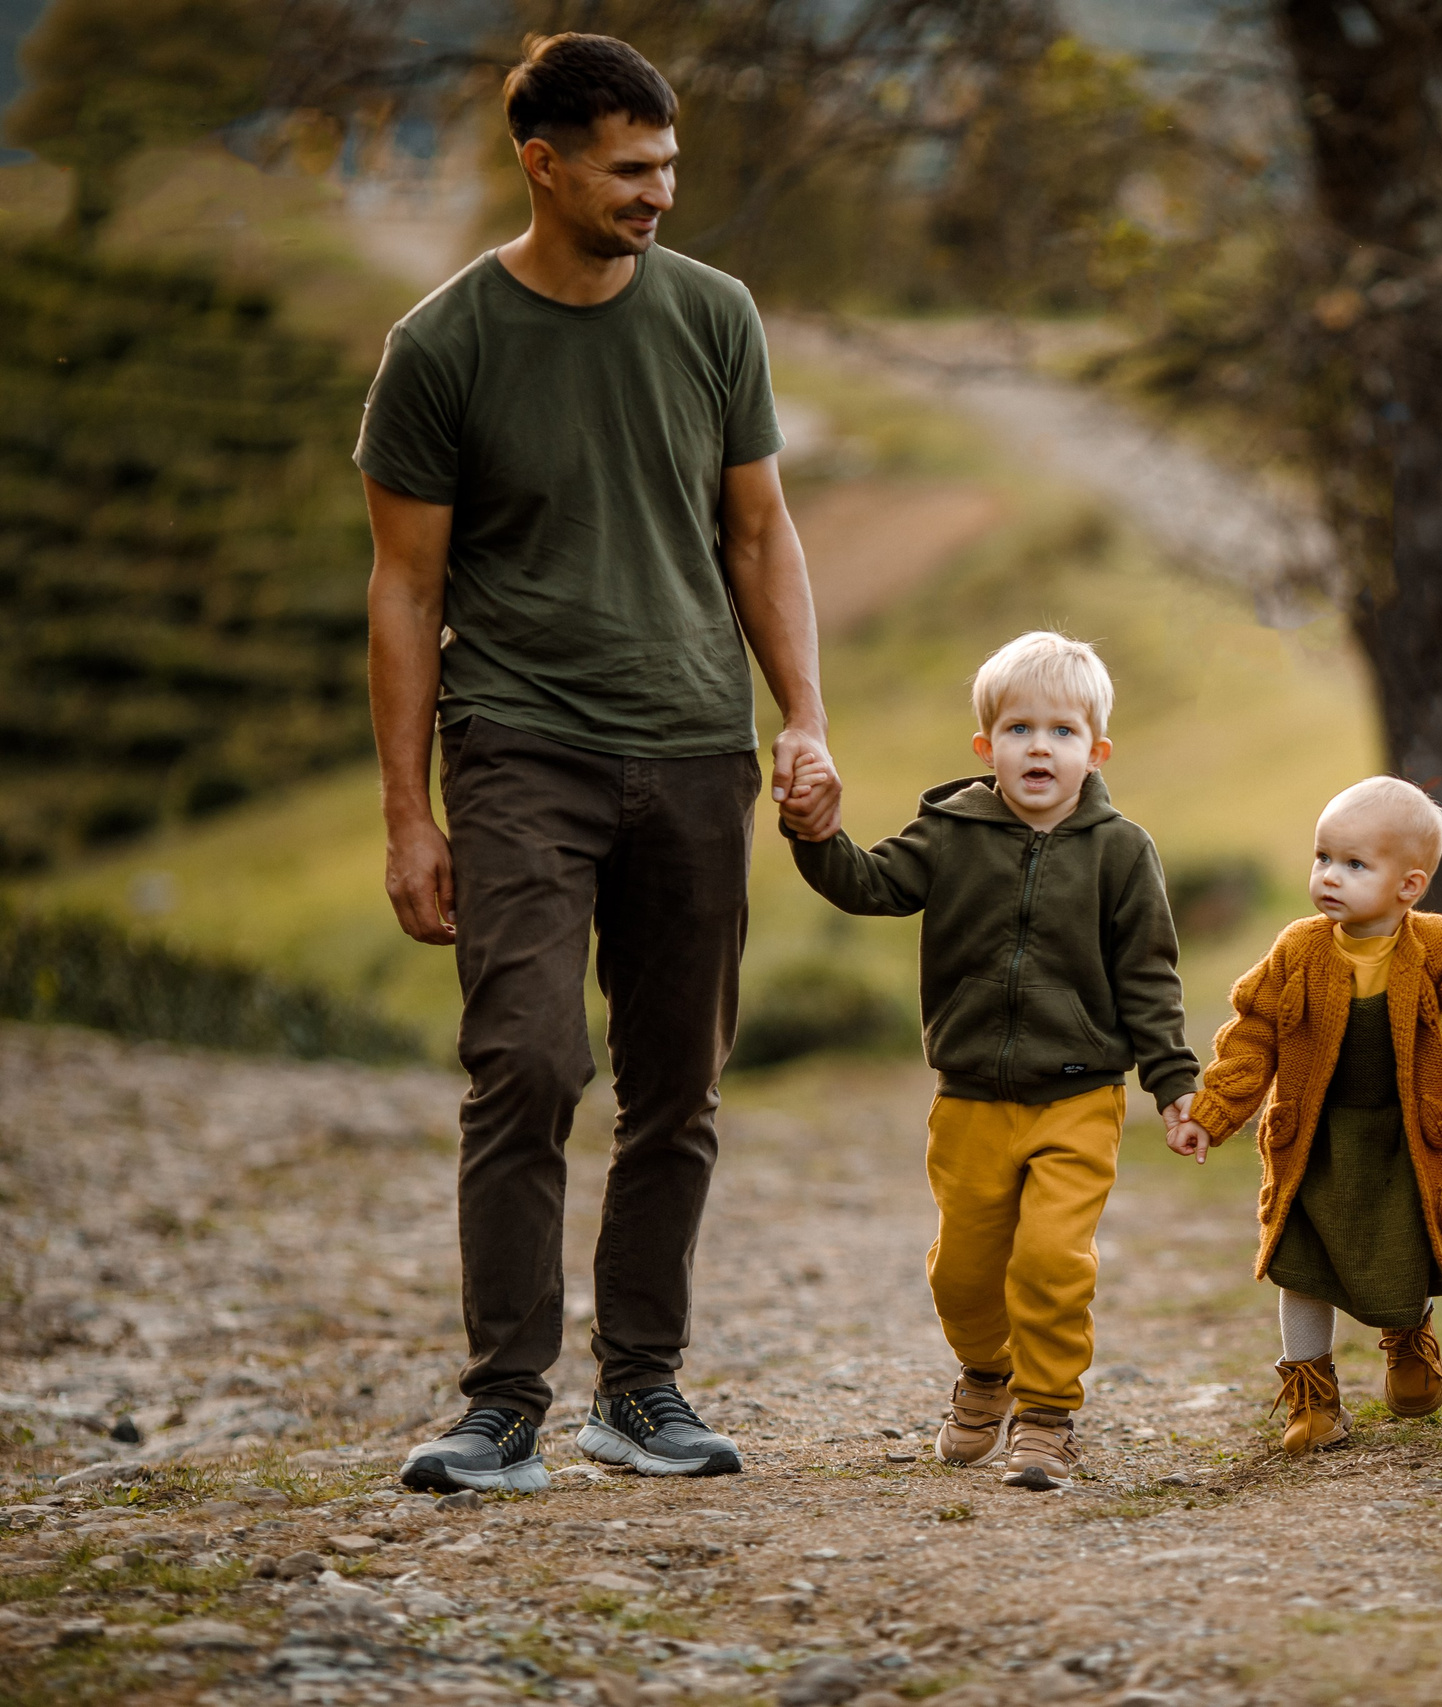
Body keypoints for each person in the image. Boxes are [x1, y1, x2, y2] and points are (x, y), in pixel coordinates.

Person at [363, 33, 842, 1494]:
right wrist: (408, 815)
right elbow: (402, 588)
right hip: (518, 746)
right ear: (545, 162)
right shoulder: (442, 345)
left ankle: (641, 1390)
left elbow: (758, 532)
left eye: (671, 165)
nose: (658, 192)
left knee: (677, 1083)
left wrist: (803, 716)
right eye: (632, 168)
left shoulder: (714, 315)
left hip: (696, 746)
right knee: (525, 1058)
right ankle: (501, 1399)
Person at [789, 632, 1198, 1491]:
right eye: (1018, 729)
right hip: (970, 1094)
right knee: (963, 1273)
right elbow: (869, 884)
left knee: (1052, 1258)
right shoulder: (951, 832)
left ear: (1096, 749)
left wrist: (1172, 1083)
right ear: (986, 747)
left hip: (1079, 1094)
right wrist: (815, 835)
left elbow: (1150, 978)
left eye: (1060, 731)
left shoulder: (1122, 850)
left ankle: (1047, 1420)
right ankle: (986, 1374)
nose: (1038, 746)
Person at [1169, 778, 1442, 1454]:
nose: (1330, 877)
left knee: (1403, 1250)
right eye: (1322, 858)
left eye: (1354, 864)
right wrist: (1213, 1110)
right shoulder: (1298, 948)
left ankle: (1408, 1339)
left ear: (1409, 885)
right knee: (1300, 1262)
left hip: (1402, 1140)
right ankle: (1312, 1395)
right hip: (1316, 1140)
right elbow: (1252, 1033)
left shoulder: (1432, 944)